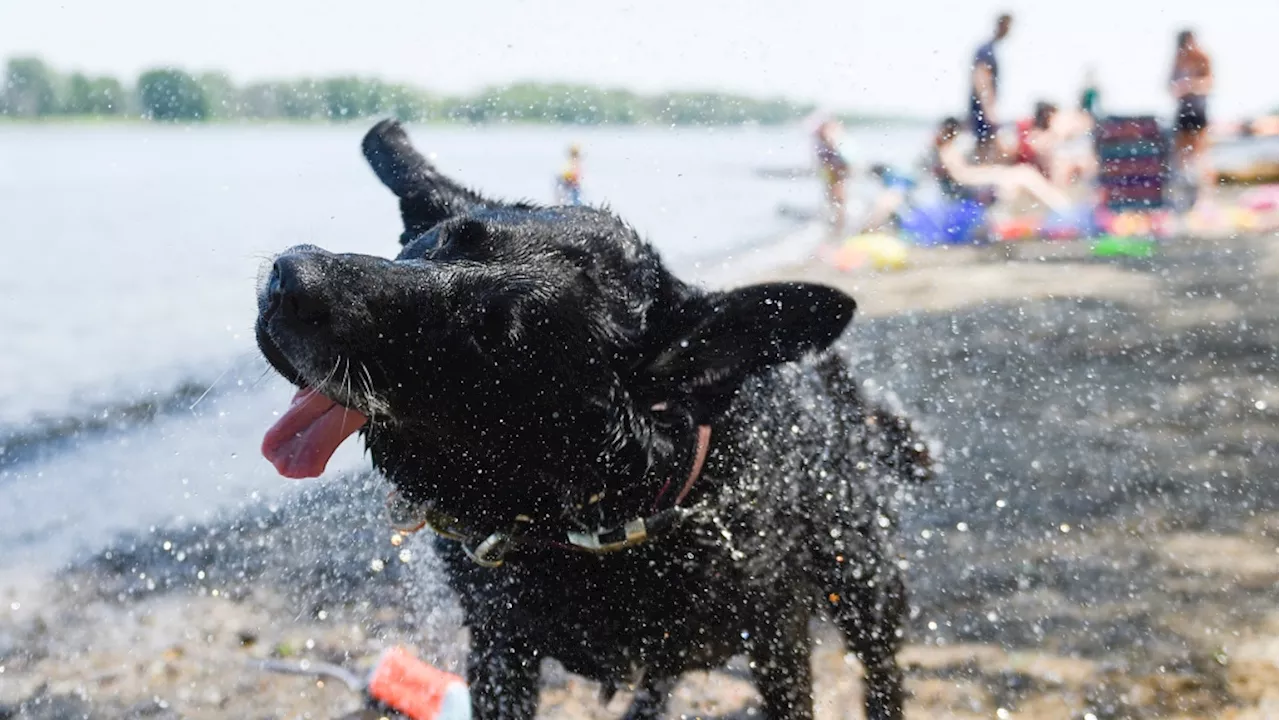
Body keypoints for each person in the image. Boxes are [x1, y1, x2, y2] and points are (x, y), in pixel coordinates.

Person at [932, 116, 1071, 212]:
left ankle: (1062, 208)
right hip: (972, 186)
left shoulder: (948, 150)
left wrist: (991, 170)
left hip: (977, 182)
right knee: (1023, 175)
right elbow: (962, 176)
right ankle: (1064, 209)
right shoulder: (948, 151)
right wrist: (991, 172)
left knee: (1022, 176)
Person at [1169, 29, 1214, 208]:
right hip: (1182, 110)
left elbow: (1210, 82)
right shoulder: (1177, 61)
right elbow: (1169, 86)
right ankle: (1184, 198)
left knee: (1201, 153)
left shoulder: (1202, 58)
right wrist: (1179, 88)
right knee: (1182, 156)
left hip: (1198, 109)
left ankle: (1205, 198)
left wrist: (1191, 86)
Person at [969, 13, 1012, 164]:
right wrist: (989, 109)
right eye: (1008, 26)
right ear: (1001, 25)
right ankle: (981, 183)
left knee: (986, 145)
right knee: (984, 145)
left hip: (983, 106)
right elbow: (981, 78)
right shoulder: (986, 49)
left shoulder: (990, 49)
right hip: (981, 107)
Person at [813, 117, 852, 239]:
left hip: (836, 171)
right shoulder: (824, 141)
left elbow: (843, 159)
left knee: (838, 199)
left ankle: (839, 227)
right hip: (830, 172)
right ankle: (836, 225)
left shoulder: (832, 141)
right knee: (833, 199)